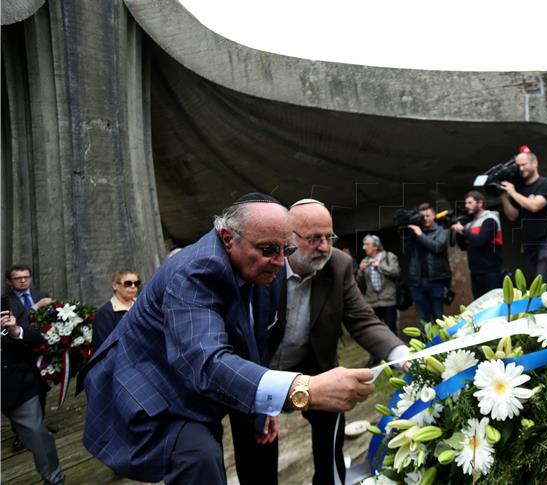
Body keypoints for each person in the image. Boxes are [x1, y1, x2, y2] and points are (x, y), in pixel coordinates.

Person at [79, 193, 377, 485]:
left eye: (285, 250)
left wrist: (264, 406)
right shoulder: (194, 271)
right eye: (268, 248)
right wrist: (303, 388)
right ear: (227, 238)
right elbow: (207, 361)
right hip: (149, 385)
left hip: (198, 393)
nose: (278, 261)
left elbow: (251, 344)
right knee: (200, 459)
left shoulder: (261, 271)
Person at [263, 199, 408, 485]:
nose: (325, 247)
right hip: (261, 369)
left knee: (330, 437)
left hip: (315, 366)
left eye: (329, 238)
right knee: (260, 447)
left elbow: (362, 318)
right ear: (288, 238)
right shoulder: (266, 263)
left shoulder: (339, 265)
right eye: (314, 239)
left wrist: (400, 354)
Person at [1, 299, 65, 484]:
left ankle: (55, 480)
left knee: (38, 434)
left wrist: (15, 331)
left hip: (18, 384)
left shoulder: (5, 304)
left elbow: (36, 338)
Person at [499, 146, 547, 292]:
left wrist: (513, 192)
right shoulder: (520, 189)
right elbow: (512, 215)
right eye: (518, 166)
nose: (521, 169)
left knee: (544, 280)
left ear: (535, 163)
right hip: (529, 244)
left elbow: (535, 206)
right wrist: (504, 198)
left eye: (524, 165)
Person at [401, 202, 452, 323]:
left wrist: (420, 234)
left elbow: (437, 247)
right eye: (422, 216)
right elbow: (406, 254)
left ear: (434, 215)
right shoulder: (414, 233)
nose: (425, 219)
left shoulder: (441, 230)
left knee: (438, 317)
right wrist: (407, 237)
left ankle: (441, 342)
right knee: (423, 319)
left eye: (428, 215)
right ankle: (427, 342)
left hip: (436, 280)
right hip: (417, 282)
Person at [356, 234, 401, 365]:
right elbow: (359, 283)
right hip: (372, 302)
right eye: (364, 245)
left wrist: (379, 266)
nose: (364, 247)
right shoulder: (365, 260)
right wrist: (360, 271)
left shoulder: (388, 256)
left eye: (367, 245)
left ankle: (394, 358)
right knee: (372, 331)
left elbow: (396, 272)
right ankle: (375, 357)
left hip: (388, 300)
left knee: (391, 329)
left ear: (376, 246)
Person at [450, 191, 504, 299]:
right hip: (475, 272)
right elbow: (463, 246)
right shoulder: (470, 224)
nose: (466, 206)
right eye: (466, 203)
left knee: (493, 303)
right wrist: (459, 231)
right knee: (479, 305)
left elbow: (480, 241)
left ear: (480, 203)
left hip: (491, 271)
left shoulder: (490, 219)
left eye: (470, 203)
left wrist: (463, 230)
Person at [91, 268, 140, 352]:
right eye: (128, 283)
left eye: (136, 283)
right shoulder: (105, 313)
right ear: (115, 285)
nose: (133, 286)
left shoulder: (143, 305)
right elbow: (104, 347)